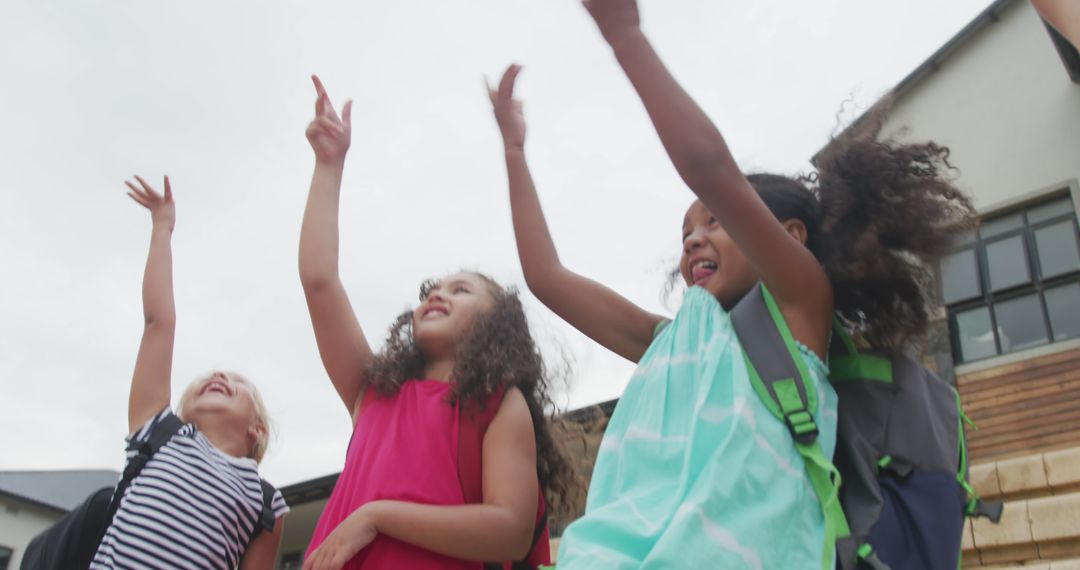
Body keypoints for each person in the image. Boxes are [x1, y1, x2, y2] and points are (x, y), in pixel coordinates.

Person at [487, 0, 976, 566]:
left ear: (788, 236)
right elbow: (546, 278)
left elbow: (709, 167)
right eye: (686, 230)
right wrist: (514, 152)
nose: (692, 239)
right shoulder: (675, 344)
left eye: (715, 221)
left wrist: (626, 37)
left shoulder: (798, 307)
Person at [299, 76, 572, 569]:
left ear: (497, 326)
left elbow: (510, 532)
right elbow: (319, 281)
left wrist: (376, 515)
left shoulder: (497, 403)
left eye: (461, 289)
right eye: (432, 290)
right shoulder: (373, 392)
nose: (438, 294)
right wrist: (328, 166)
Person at [91, 175, 288, 569]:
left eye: (238, 382)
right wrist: (162, 227)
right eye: (209, 378)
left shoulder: (267, 503)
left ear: (257, 429)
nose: (219, 376)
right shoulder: (159, 435)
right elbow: (158, 323)